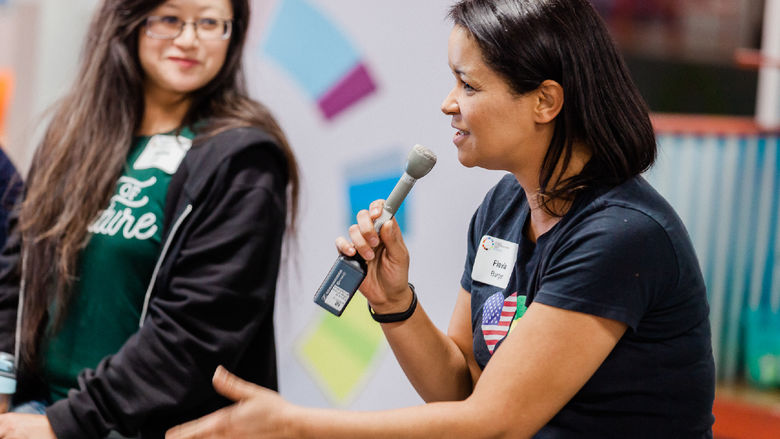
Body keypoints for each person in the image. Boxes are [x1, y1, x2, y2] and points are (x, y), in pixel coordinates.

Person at [166, 0, 715, 438]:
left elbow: (495, 424)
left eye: (469, 85)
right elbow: (462, 393)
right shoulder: (504, 205)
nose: (448, 104)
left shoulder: (622, 235)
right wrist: (393, 302)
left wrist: (297, 426)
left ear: (546, 101)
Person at [0, 0, 298, 437]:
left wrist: (63, 425)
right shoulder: (73, 133)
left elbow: (193, 337)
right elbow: (15, 278)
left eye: (210, 22)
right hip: (37, 407)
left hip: (146, 427)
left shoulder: (243, 160)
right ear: (131, 20)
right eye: (170, 18)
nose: (189, 39)